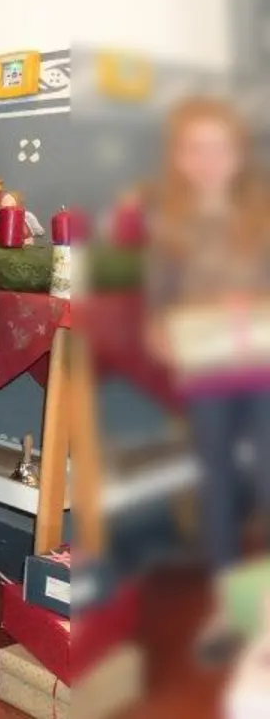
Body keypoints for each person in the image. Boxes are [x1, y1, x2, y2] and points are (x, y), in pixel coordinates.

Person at [143, 96, 270, 665]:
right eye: (195, 147)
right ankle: (227, 606)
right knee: (217, 487)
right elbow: (160, 306)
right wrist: (164, 336)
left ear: (239, 152)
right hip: (208, 376)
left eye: (220, 146)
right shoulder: (169, 225)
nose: (208, 158)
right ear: (179, 157)